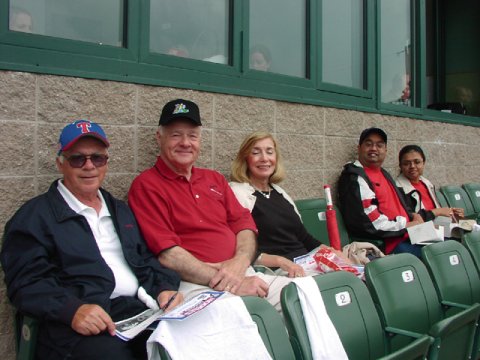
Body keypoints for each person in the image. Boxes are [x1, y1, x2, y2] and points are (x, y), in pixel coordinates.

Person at [1, 120, 183, 360]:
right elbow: (26, 283)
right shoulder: (34, 218)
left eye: (97, 158)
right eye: (78, 158)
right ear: (60, 163)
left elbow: (145, 258)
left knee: (189, 341)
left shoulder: (119, 210)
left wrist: (164, 288)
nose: (89, 166)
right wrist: (72, 310)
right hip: (76, 324)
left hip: (135, 311)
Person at [128, 99, 293, 311]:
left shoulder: (214, 179)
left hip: (241, 271)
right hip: (197, 283)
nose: (185, 142)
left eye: (192, 136)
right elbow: (168, 255)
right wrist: (232, 281)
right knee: (243, 313)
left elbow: (244, 225)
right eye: (176, 134)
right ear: (159, 138)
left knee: (302, 296)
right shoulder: (147, 185)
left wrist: (240, 262)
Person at [230, 131, 328, 277]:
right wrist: (279, 261)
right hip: (276, 272)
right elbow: (238, 248)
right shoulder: (237, 193)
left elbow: (305, 238)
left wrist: (333, 254)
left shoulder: (280, 193)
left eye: (270, 152)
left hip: (306, 263)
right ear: (246, 159)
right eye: (256, 152)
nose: (264, 159)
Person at [337, 127, 424, 257]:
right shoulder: (355, 178)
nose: (374, 148)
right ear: (359, 148)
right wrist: (406, 225)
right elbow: (370, 224)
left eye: (379, 145)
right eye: (368, 144)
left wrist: (412, 215)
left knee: (450, 244)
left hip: (410, 235)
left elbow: (397, 203)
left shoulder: (383, 172)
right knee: (439, 254)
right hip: (389, 246)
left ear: (385, 150)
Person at [396, 144, 464, 221]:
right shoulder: (398, 189)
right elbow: (408, 220)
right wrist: (437, 212)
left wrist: (452, 215)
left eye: (417, 162)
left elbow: (435, 210)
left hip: (436, 227)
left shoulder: (427, 183)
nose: (412, 166)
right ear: (400, 166)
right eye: (406, 163)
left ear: (423, 163)